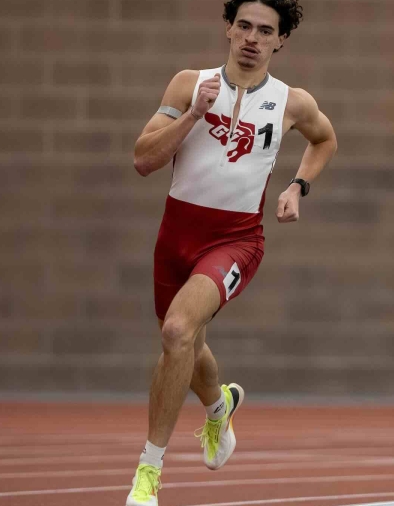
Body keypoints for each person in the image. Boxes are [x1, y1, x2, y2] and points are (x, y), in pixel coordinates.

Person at [125, 0, 337, 504]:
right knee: (187, 346)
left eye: (265, 31)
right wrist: (196, 113)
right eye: (244, 25)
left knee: (178, 330)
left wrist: (296, 187)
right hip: (175, 235)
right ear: (228, 27)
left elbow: (324, 139)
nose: (251, 38)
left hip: (236, 240)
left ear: (280, 40)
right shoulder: (188, 84)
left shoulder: (292, 102)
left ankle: (147, 474)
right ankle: (220, 407)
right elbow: (143, 159)